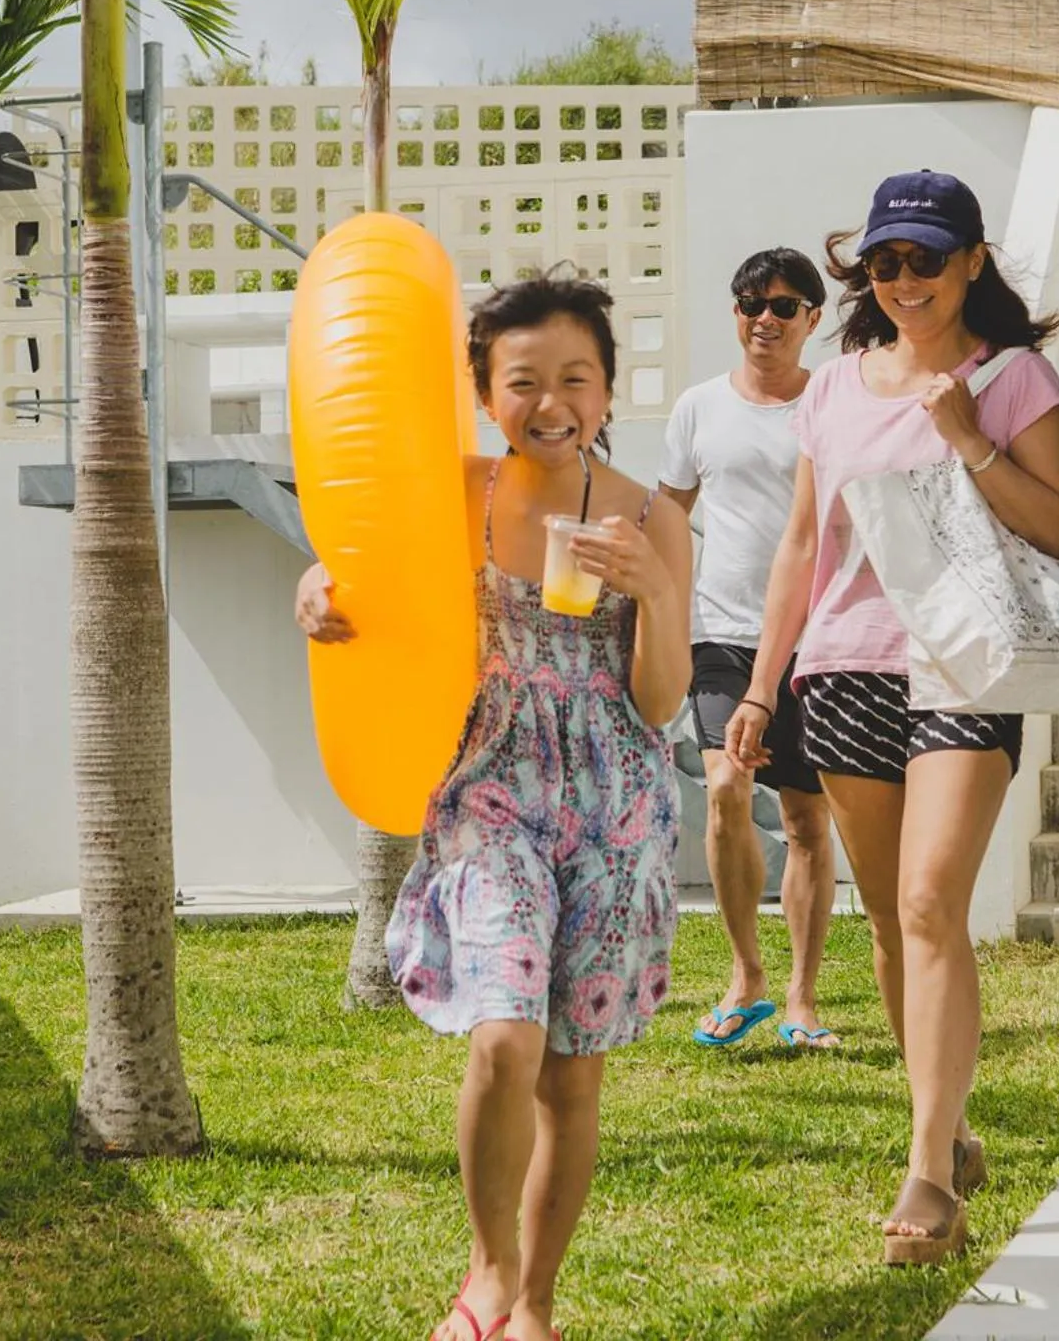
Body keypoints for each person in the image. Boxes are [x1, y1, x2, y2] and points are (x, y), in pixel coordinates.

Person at [293, 275, 692, 1341]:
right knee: (504, 1038)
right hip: (491, 794)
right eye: (522, 382)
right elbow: (365, 571)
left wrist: (652, 588)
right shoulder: (456, 493)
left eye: (575, 378)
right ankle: (487, 1270)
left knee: (570, 1075)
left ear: (606, 389)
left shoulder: (650, 515)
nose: (550, 402)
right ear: (484, 393)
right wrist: (318, 582)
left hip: (615, 804)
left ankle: (537, 1308)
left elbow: (657, 703)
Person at [727, 171, 1059, 1266]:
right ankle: (952, 1125)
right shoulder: (831, 390)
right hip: (841, 672)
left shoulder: (1013, 378)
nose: (902, 281)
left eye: (925, 259)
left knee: (931, 902)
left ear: (972, 261)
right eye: (883, 263)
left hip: (966, 669)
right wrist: (756, 685)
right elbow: (800, 547)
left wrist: (969, 435)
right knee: (887, 922)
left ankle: (927, 1174)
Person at [657, 248, 842, 1051]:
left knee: (805, 819)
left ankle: (801, 998)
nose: (762, 317)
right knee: (726, 784)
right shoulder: (699, 407)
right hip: (721, 636)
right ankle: (746, 977)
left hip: (819, 639)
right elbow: (668, 515)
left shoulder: (831, 406)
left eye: (783, 305)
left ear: (813, 318)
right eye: (748, 303)